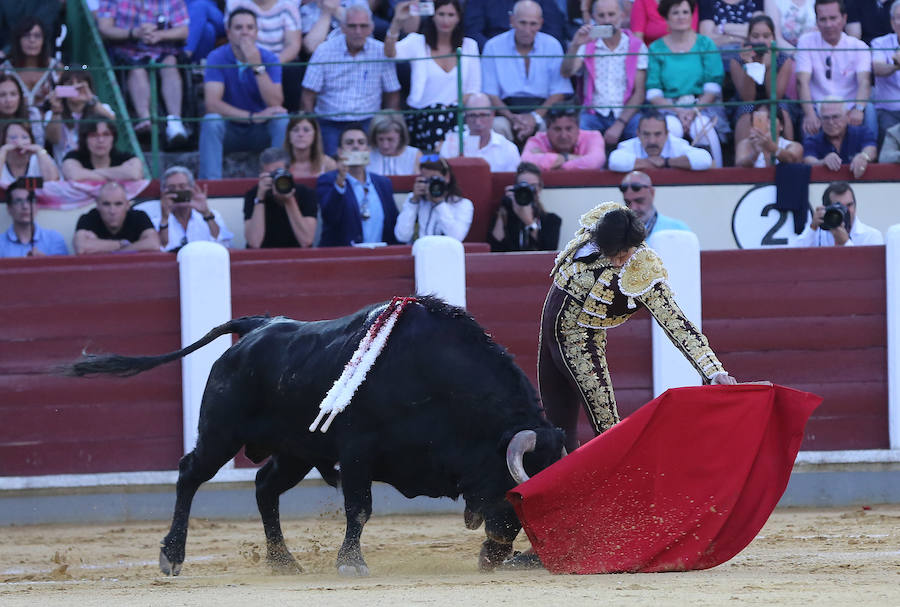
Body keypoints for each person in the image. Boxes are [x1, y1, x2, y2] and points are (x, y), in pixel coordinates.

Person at [539, 201, 736, 455]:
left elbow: (677, 323)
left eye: (625, 253)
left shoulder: (643, 270)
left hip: (582, 345)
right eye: (615, 254)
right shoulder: (598, 225)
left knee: (608, 428)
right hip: (548, 335)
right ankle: (561, 487)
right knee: (558, 425)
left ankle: (624, 489)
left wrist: (713, 371)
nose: (621, 262)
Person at [199, 8, 289, 180]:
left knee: (281, 119)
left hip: (260, 131)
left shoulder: (269, 58)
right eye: (239, 28)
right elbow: (212, 104)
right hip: (230, 130)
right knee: (211, 121)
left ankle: (279, 179)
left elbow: (276, 102)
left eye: (250, 27)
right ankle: (211, 186)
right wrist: (251, 116)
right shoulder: (216, 57)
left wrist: (257, 66)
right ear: (229, 33)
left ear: (256, 32)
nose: (245, 33)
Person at [300, 4, 401, 156]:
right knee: (333, 167)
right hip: (330, 121)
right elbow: (308, 95)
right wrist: (313, 128)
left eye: (363, 26)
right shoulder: (324, 51)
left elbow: (392, 92)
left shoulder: (380, 51)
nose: (358, 32)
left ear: (371, 28)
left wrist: (388, 123)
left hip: (369, 120)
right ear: (343, 28)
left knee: (370, 163)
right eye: (352, 26)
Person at [385, 0, 481, 152]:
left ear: (458, 18)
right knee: (436, 117)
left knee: (448, 120)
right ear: (433, 16)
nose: (445, 20)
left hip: (456, 116)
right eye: (441, 14)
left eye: (450, 15)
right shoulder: (417, 42)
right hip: (421, 116)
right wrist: (396, 22)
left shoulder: (470, 46)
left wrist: (447, 109)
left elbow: (473, 89)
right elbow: (390, 54)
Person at [646, 0, 727, 167]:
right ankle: (667, 172)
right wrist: (678, 110)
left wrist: (693, 111)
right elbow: (654, 92)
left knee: (701, 128)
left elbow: (712, 87)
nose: (681, 17)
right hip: (668, 108)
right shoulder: (656, 48)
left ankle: (716, 172)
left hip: (703, 107)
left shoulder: (705, 44)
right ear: (666, 17)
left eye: (685, 12)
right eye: (675, 13)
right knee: (671, 128)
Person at [480, 0, 573, 145]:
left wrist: (534, 117)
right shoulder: (493, 46)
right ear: (512, 20)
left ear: (541, 23)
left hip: (543, 111)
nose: (527, 29)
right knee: (496, 127)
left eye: (533, 24)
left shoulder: (552, 45)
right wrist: (512, 118)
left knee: (550, 128)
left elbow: (559, 92)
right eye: (522, 23)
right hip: (506, 111)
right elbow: (490, 93)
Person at [96, 0, 189, 144]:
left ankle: (175, 123)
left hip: (163, 49)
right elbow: (104, 28)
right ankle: (145, 120)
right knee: (137, 69)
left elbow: (183, 30)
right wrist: (134, 33)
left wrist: (161, 35)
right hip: (129, 50)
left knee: (170, 64)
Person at [561, 0, 648, 146]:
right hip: (593, 114)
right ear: (594, 17)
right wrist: (575, 45)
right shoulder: (587, 43)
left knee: (644, 130)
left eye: (611, 14)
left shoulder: (636, 46)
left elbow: (639, 94)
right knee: (579, 130)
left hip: (626, 114)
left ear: (622, 15)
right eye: (601, 15)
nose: (607, 20)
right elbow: (567, 72)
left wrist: (619, 124)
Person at [795, 0, 875, 140]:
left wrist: (858, 109)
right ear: (816, 21)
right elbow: (802, 81)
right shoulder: (805, 42)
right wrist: (810, 114)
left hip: (849, 108)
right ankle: (811, 160)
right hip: (818, 107)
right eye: (823, 19)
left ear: (844, 19)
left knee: (869, 112)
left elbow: (864, 82)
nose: (828, 24)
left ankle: (870, 156)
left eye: (833, 18)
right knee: (807, 122)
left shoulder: (859, 46)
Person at [316, 124, 399, 247]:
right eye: (349, 143)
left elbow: (393, 224)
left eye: (361, 142)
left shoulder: (383, 183)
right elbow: (330, 217)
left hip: (380, 256)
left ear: (368, 150)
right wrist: (340, 181)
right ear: (340, 151)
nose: (356, 146)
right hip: (343, 259)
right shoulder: (328, 180)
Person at [728, 15, 795, 147]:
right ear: (749, 39)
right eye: (756, 36)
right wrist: (750, 66)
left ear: (773, 38)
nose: (761, 41)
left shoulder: (784, 59)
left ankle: (788, 157)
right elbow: (748, 98)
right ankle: (743, 159)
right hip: (748, 101)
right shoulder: (737, 60)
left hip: (775, 101)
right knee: (746, 111)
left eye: (766, 36)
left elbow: (774, 96)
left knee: (782, 112)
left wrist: (769, 67)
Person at [225, 0, 303, 112]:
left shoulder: (287, 6)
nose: (244, 31)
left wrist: (269, 65)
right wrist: (253, 62)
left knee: (292, 70)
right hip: (243, 58)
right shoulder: (235, 3)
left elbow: (293, 45)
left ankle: (291, 120)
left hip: (278, 61)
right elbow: (233, 37)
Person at [141, 165, 234, 252]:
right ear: (163, 192)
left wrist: (206, 213)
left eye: (182, 186)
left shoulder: (212, 215)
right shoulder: (155, 219)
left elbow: (224, 244)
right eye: (171, 188)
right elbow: (160, 248)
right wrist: (165, 217)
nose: (177, 191)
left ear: (192, 188)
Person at [244, 147, 318, 248]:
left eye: (278, 173)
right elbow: (254, 243)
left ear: (290, 170)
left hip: (296, 259)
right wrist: (260, 198)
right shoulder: (253, 195)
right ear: (261, 174)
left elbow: (306, 241)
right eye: (271, 175)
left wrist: (289, 200)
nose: (276, 179)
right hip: (263, 258)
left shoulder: (306, 194)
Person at [43, 71, 116, 168]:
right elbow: (53, 139)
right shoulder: (52, 115)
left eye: (80, 84)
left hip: (96, 169)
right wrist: (56, 110)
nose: (75, 88)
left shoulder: (101, 108)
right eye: (70, 84)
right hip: (64, 170)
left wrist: (91, 99)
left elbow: (113, 125)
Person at [394, 155, 474, 243]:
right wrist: (414, 202)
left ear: (447, 177)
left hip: (445, 253)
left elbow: (456, 238)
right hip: (418, 252)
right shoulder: (413, 199)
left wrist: (439, 204)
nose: (431, 185)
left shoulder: (463, 204)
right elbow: (402, 236)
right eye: (426, 180)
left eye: (434, 180)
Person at [487, 161, 561, 252]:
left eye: (532, 186)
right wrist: (504, 208)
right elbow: (495, 249)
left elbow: (549, 249)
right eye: (523, 186)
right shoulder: (506, 217)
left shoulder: (551, 220)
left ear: (540, 187)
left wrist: (529, 222)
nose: (528, 191)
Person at [439, 92, 521, 172]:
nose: (478, 122)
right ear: (466, 116)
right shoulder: (451, 146)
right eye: (472, 115)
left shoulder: (508, 149)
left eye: (483, 115)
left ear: (492, 115)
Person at [607, 110, 713, 171]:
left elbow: (705, 159)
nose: (652, 141)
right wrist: (652, 163)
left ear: (667, 134)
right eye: (646, 134)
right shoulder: (629, 146)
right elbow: (615, 160)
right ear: (638, 134)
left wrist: (666, 162)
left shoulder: (676, 144)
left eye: (657, 134)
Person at [73, 181, 161, 254]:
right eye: (106, 204)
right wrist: (122, 244)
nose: (112, 211)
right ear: (98, 205)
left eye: (118, 204)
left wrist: (106, 249)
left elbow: (154, 244)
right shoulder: (88, 218)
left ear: (127, 205)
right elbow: (81, 247)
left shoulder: (139, 216)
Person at [791, 180, 883, 246]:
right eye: (840, 207)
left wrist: (846, 243)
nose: (846, 211)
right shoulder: (818, 234)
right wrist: (812, 228)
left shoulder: (871, 236)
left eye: (849, 205)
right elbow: (794, 257)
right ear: (827, 209)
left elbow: (868, 270)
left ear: (855, 206)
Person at [802, 97, 876, 178]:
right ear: (820, 120)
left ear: (847, 116)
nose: (831, 122)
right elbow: (808, 160)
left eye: (835, 117)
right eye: (826, 118)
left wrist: (863, 156)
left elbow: (871, 149)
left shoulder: (862, 132)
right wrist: (823, 162)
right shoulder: (813, 140)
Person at [520, 105, 607, 170]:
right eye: (557, 129)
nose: (563, 135)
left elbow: (594, 162)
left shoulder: (593, 137)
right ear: (547, 130)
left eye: (569, 129)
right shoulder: (537, 140)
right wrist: (572, 158)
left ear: (578, 129)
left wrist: (552, 162)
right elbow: (526, 162)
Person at [1, 17, 60, 108]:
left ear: (44, 41)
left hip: (51, 121)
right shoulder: (4, 70)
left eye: (37, 36)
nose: (32, 40)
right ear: (18, 40)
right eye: (26, 35)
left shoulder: (56, 68)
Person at [61, 118, 144, 182]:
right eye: (94, 135)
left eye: (106, 134)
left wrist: (86, 174)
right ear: (84, 139)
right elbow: (74, 176)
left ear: (113, 138)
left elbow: (134, 174)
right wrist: (120, 174)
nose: (100, 140)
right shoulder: (73, 157)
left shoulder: (127, 158)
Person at [0, 180, 68, 257]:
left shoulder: (54, 239)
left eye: (30, 200)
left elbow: (63, 268)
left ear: (36, 206)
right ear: (9, 208)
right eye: (18, 201)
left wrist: (44, 262)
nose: (25, 206)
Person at [463, 0, 569, 49]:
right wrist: (497, 51)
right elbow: (473, 32)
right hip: (493, 58)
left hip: (537, 58)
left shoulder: (545, 2)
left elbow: (554, 32)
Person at [619, 170, 692, 236]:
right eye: (627, 203)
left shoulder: (678, 230)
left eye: (639, 201)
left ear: (652, 193)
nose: (633, 208)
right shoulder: (619, 233)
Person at [734, 105, 804, 166]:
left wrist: (772, 148)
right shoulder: (745, 144)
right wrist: (755, 154)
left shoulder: (793, 146)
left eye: (770, 117)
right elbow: (739, 168)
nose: (766, 122)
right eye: (760, 118)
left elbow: (791, 159)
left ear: (781, 126)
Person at [870, 1, 900, 139]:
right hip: (889, 111)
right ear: (892, 22)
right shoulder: (880, 43)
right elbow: (878, 68)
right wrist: (896, 66)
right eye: (898, 17)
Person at [0, 122, 59, 188]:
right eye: (13, 137)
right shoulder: (1, 156)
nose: (19, 142)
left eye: (24, 137)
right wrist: (3, 151)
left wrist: (40, 150)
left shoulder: (39, 158)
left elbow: (53, 181)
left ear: (31, 140)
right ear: (4, 141)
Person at [698, 0, 764, 53]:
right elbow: (707, 40)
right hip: (719, 57)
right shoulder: (707, 1)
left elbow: (759, 31)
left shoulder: (755, 1)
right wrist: (734, 38)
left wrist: (724, 27)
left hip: (750, 56)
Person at [285, 114, 337, 179]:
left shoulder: (328, 164)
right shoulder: (279, 164)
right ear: (289, 135)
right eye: (295, 130)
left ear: (315, 135)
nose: (300, 134)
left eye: (306, 130)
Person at [0, 73, 45, 147]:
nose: (8, 100)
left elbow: (40, 147)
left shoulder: (32, 115)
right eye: (2, 95)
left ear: (20, 96)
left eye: (13, 94)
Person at [631, 0, 700, 44]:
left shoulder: (688, 3)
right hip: (652, 57)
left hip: (685, 54)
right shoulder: (642, 2)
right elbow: (637, 40)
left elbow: (690, 35)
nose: (681, 17)